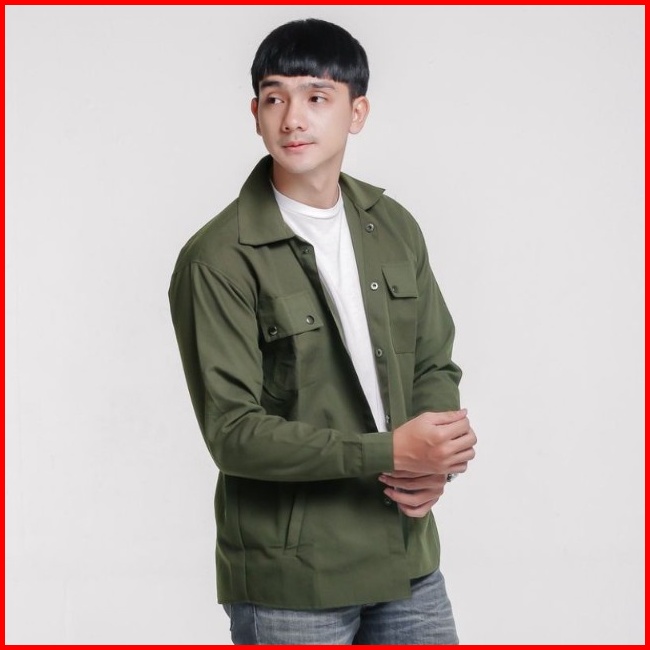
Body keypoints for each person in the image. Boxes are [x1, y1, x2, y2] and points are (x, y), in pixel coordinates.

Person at [168, 17, 476, 645]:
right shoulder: (218, 258)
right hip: (293, 581)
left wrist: (433, 457)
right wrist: (391, 453)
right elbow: (233, 433)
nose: (293, 119)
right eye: (274, 98)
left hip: (408, 560)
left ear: (356, 112)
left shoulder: (393, 227)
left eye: (316, 97)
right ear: (255, 114)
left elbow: (432, 362)